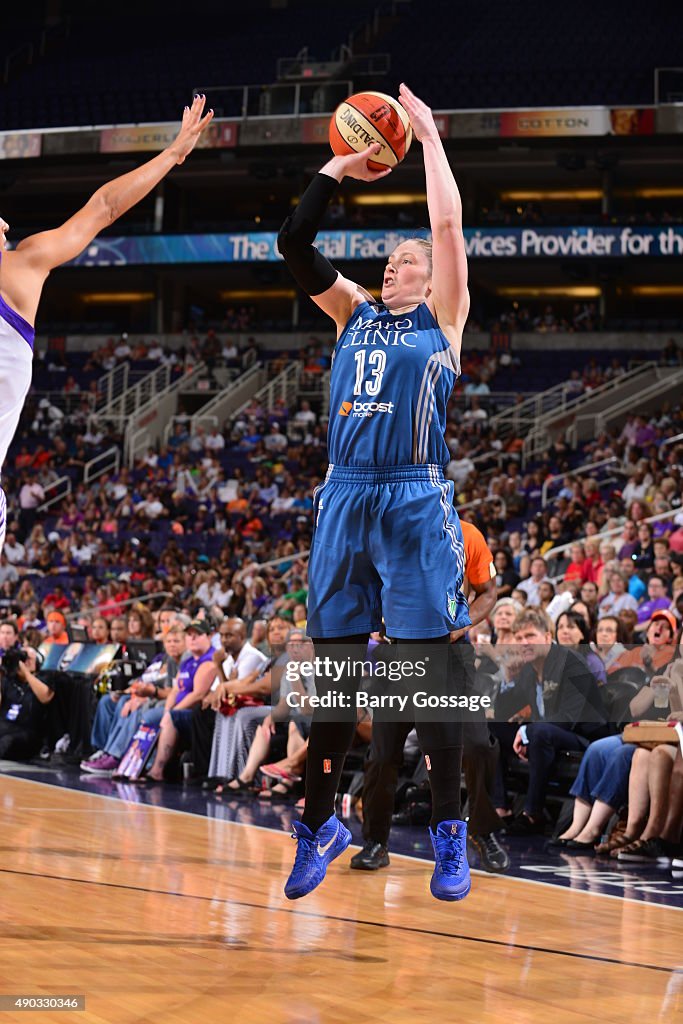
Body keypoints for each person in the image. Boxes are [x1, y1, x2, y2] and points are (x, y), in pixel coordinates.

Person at [277, 83, 472, 901]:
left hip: (414, 495)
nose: (397, 262)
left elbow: (448, 226)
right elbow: (293, 241)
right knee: (333, 676)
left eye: (409, 261)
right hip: (344, 495)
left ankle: (451, 832)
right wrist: (335, 165)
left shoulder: (443, 321)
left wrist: (426, 137)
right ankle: (319, 821)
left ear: (430, 282)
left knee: (428, 674)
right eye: (390, 258)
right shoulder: (352, 310)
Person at [0, 95, 213, 553]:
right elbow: (102, 207)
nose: (4, 223)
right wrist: (173, 154)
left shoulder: (22, 267)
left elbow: (104, 206)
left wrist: (173, 154)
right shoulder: (19, 269)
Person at [351, 519, 508, 874]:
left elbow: (487, 591)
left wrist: (464, 623)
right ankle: (376, 841)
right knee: (382, 753)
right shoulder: (385, 531)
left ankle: (482, 830)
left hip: (451, 655)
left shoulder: (467, 533)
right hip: (398, 654)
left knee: (478, 744)